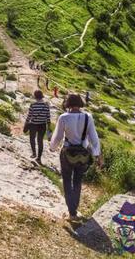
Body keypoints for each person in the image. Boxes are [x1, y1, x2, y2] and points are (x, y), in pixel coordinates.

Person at [50, 92, 103, 220]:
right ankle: (74, 209)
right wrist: (97, 155)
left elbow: (57, 137)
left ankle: (72, 212)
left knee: (67, 181)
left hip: (67, 152)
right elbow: (94, 138)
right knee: (77, 181)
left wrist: (52, 147)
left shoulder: (64, 117)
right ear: (80, 103)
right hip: (83, 154)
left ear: (67, 103)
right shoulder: (88, 117)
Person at [24, 90, 51, 165]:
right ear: (42, 96)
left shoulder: (33, 105)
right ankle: (39, 158)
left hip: (33, 124)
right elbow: (48, 117)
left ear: (35, 96)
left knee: (32, 138)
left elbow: (29, 116)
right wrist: (49, 127)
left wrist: (26, 123)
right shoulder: (46, 105)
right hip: (42, 125)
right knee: (40, 141)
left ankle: (34, 153)